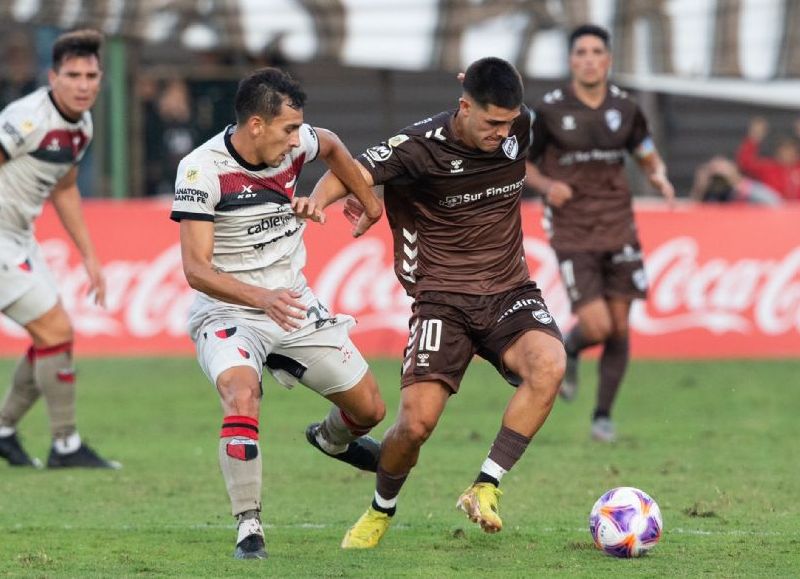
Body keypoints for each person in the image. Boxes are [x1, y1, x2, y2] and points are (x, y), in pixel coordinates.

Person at [307, 57, 566, 549]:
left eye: (508, 123)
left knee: (550, 364)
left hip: (510, 291)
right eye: (491, 122)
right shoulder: (418, 147)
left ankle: (485, 486)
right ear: (464, 107)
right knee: (415, 425)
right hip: (442, 302)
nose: (501, 133)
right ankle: (381, 509)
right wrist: (322, 202)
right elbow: (351, 169)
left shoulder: (519, 126)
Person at [170, 67, 386, 560]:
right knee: (241, 393)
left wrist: (370, 203)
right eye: (289, 129)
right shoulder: (202, 170)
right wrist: (259, 298)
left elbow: (329, 143)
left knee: (370, 410)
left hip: (293, 302)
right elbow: (196, 270)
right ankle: (249, 525)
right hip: (228, 309)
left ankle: (330, 441)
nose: (298, 140)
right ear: (256, 127)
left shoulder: (295, 143)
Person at [525, 24, 675, 443]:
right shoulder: (550, 109)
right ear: (572, 61)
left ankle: (602, 417)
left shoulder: (626, 108)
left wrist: (659, 176)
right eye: (581, 52)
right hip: (573, 229)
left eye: (596, 52)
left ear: (607, 60)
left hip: (619, 225)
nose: (589, 59)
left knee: (621, 327)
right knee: (597, 326)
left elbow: (645, 152)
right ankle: (571, 348)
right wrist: (548, 186)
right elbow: (524, 163)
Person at [0, 29, 118, 469]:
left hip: (19, 237)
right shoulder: (26, 119)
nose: (83, 84)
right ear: (53, 77)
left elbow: (65, 188)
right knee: (56, 330)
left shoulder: (81, 125)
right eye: (73, 75)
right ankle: (65, 445)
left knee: (50, 336)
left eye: (91, 75)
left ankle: (5, 431)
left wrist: (89, 256)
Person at [735, 116, 800, 201]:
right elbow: (745, 163)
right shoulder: (768, 167)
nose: (787, 154)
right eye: (784, 150)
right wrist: (754, 137)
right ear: (777, 152)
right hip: (772, 208)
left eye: (790, 150)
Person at [690, 156, 782, 206]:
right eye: (714, 173)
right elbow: (695, 211)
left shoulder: (748, 188)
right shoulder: (711, 194)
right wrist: (700, 188)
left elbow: (775, 202)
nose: (719, 179)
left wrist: (737, 184)